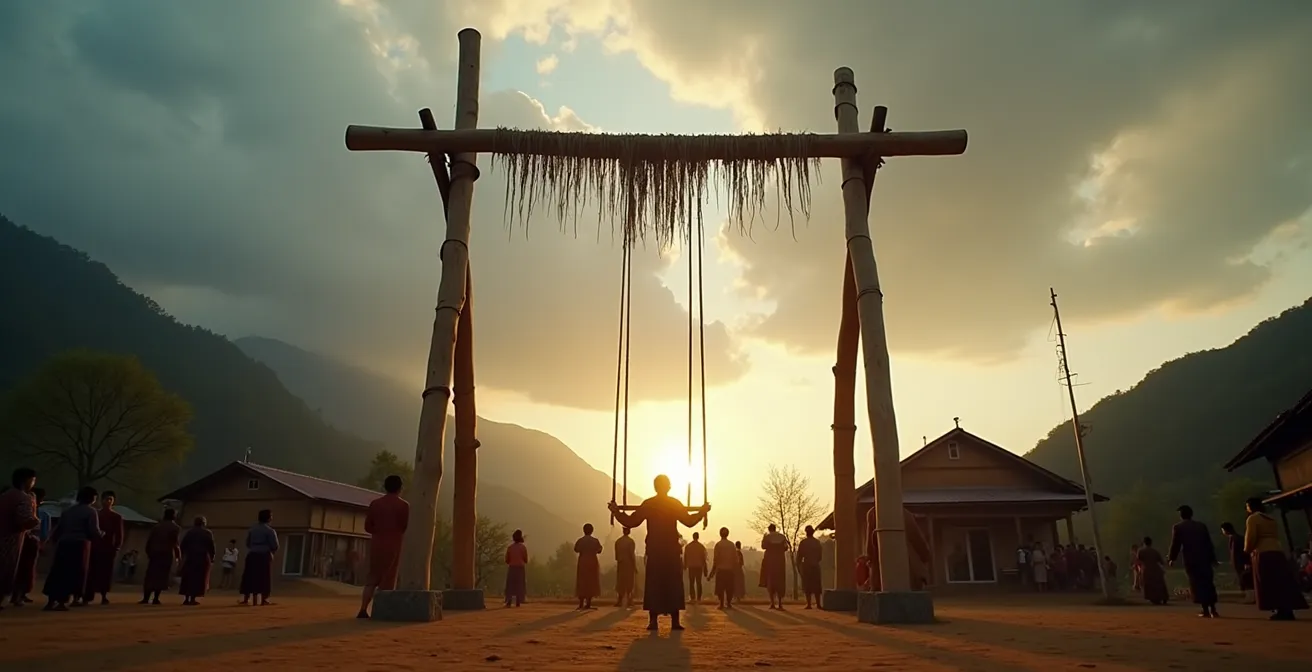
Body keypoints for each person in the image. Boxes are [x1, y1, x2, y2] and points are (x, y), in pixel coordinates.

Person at [608, 474, 710, 632]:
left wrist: (616, 512)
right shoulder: (673, 503)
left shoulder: (649, 504)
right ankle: (674, 621)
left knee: (655, 584)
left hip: (656, 549)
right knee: (673, 584)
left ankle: (653, 621)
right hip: (670, 550)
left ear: (655, 487)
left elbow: (631, 522)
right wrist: (702, 512)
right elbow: (689, 522)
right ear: (668, 487)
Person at [1244, 497, 1308, 621]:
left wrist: (1247, 550)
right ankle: (1287, 609)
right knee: (1282, 582)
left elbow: (1251, 537)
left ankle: (1279, 609)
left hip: (1262, 552)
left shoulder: (1253, 519)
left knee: (1269, 582)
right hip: (1277, 550)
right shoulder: (1270, 519)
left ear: (1250, 506)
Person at [43, 486, 103, 611]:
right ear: (91, 498)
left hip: (64, 543)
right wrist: (101, 535)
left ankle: (51, 601)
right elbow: (93, 531)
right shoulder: (91, 512)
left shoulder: (68, 511)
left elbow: (58, 529)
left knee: (58, 572)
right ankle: (62, 602)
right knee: (73, 573)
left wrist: (51, 542)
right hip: (80, 545)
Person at [358, 474, 410, 619]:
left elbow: (368, 526)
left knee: (372, 578)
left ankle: (363, 609)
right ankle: (384, 611)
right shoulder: (404, 506)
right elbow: (404, 526)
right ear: (400, 488)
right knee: (389, 577)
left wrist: (379, 531)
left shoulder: (375, 504)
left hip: (376, 543)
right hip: (394, 544)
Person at [1168, 504, 1219, 617]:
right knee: (1208, 583)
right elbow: (1209, 544)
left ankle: (1205, 610)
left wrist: (1172, 558)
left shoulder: (1178, 527)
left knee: (1197, 584)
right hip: (1205, 558)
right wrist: (1213, 559)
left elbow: (1175, 544)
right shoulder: (1201, 526)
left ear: (1181, 515)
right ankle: (1213, 609)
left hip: (1191, 559)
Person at [0, 468, 41, 611]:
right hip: (11, 539)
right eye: (33, 480)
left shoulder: (4, 496)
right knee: (7, 569)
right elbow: (25, 519)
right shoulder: (24, 498)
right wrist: (36, 521)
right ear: (28, 480)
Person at [82, 490, 125, 605]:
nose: (108, 501)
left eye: (111, 499)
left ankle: (104, 595)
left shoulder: (117, 517)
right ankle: (87, 596)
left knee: (106, 573)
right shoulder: (95, 514)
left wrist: (117, 547)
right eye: (107, 499)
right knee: (91, 572)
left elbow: (119, 534)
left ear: (113, 502)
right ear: (102, 501)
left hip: (108, 548)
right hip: (94, 547)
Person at [11, 486, 49, 606]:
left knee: (21, 569)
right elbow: (44, 533)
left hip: (24, 543)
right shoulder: (41, 514)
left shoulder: (26, 511)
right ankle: (19, 594)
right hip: (29, 543)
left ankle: (18, 594)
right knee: (26, 569)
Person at [141, 508, 182, 604]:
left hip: (154, 554)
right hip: (166, 554)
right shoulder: (175, 528)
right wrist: (178, 556)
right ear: (173, 516)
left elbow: (150, 541)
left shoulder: (157, 527)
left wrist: (149, 552)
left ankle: (146, 598)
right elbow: (175, 543)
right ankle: (156, 598)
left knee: (151, 576)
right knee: (161, 577)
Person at [240, 509, 279, 606]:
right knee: (264, 577)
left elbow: (247, 543)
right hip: (264, 556)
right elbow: (275, 545)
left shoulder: (252, 529)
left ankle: (246, 598)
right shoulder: (270, 531)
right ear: (269, 518)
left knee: (249, 576)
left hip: (252, 554)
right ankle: (264, 599)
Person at [179, 516, 216, 605]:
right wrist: (212, 558)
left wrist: (182, 556)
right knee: (198, 579)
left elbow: (183, 546)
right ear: (204, 523)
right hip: (201, 558)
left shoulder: (189, 533)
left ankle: (186, 598)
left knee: (188, 578)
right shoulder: (207, 533)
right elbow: (211, 547)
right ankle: (193, 598)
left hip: (190, 557)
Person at [1220, 522, 1253, 603]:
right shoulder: (1236, 538)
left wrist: (1247, 562)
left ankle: (1249, 598)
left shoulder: (1236, 539)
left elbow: (1242, 552)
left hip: (1241, 563)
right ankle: (1248, 597)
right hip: (1238, 563)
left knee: (1245, 580)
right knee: (1243, 580)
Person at [574, 523, 603, 610]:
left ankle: (581, 603)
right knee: (591, 582)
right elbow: (599, 550)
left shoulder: (580, 540)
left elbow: (576, 549)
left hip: (583, 562)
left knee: (582, 582)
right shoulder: (595, 541)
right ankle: (588, 603)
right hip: (592, 562)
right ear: (592, 531)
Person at [760, 524, 789, 609]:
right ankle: (780, 603)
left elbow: (763, 546)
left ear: (769, 529)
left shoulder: (767, 537)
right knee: (780, 581)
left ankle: (772, 603)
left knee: (770, 581)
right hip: (780, 561)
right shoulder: (782, 537)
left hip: (770, 561)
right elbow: (786, 548)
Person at [710, 527, 737, 609]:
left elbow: (716, 559)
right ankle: (728, 603)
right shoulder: (732, 545)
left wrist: (712, 572)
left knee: (720, 588)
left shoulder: (718, 545)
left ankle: (721, 603)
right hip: (730, 569)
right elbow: (735, 558)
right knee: (729, 587)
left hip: (720, 569)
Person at [1136, 536, 1169, 605]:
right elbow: (1161, 562)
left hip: (1147, 569)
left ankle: (1153, 598)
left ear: (1144, 543)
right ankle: (1162, 597)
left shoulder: (1141, 551)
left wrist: (1138, 571)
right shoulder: (1155, 551)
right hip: (1156, 569)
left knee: (1149, 585)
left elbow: (1138, 561)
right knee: (1159, 584)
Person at [797, 525, 823, 609]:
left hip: (807, 565)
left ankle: (809, 604)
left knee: (807, 585)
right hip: (815, 565)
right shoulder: (817, 542)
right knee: (816, 585)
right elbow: (820, 556)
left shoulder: (803, 543)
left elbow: (799, 556)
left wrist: (798, 565)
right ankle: (818, 604)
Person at [504, 529, 528, 607]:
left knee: (511, 585)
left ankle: (509, 600)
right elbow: (526, 560)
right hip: (520, 568)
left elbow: (507, 560)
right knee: (519, 585)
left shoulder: (510, 548)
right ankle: (518, 601)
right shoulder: (523, 547)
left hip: (512, 567)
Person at [613, 527, 636, 608]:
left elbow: (616, 555)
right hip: (629, 563)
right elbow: (631, 554)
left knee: (620, 581)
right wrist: (634, 565)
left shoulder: (618, 541)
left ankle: (619, 600)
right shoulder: (630, 542)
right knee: (629, 581)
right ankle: (629, 600)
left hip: (621, 563)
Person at [684, 531, 707, 604]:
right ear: (698, 537)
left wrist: (685, 565)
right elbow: (703, 558)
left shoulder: (688, 546)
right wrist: (705, 567)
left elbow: (685, 557)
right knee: (698, 582)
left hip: (691, 566)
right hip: (699, 566)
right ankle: (699, 598)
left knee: (691, 582)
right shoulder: (701, 546)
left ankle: (693, 598)